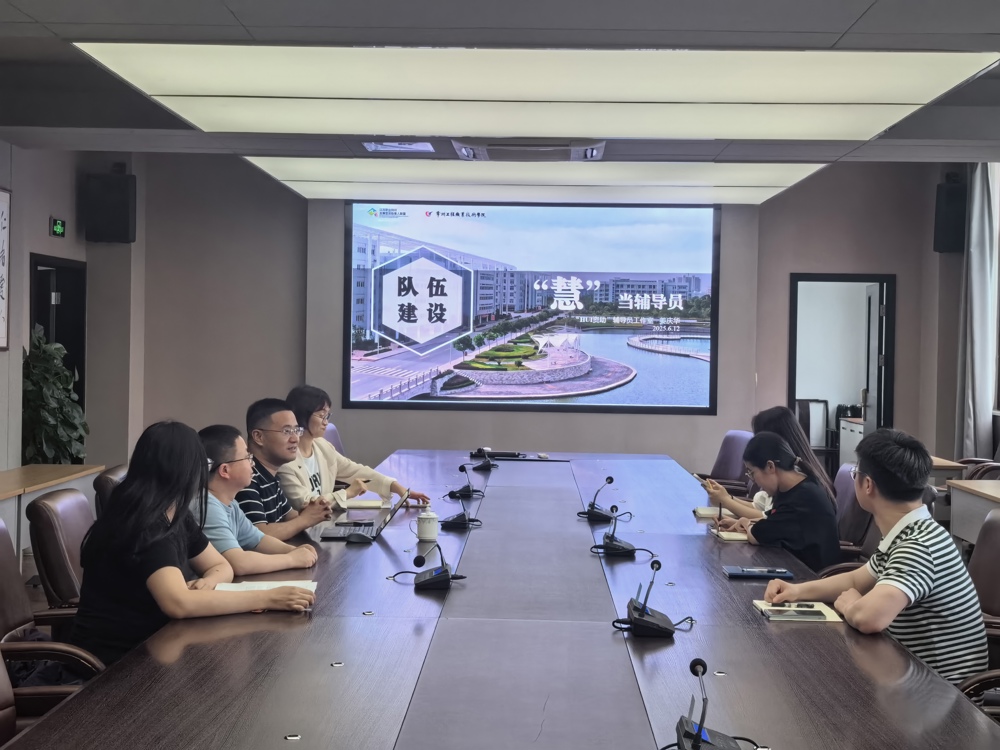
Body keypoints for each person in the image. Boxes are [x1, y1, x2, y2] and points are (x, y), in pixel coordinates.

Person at [71, 421, 315, 667]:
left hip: (158, 644)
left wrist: (209, 582)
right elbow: (178, 603)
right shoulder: (144, 524)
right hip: (117, 664)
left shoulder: (174, 512)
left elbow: (221, 565)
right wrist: (268, 598)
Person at [765, 429, 988, 687]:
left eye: (856, 474)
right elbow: (857, 580)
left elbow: (869, 618)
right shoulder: (910, 530)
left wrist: (851, 604)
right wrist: (796, 591)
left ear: (868, 485)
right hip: (908, 673)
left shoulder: (919, 545)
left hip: (943, 693)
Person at [277, 385, 431, 509]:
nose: (326, 422)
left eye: (327, 416)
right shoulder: (285, 460)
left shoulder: (321, 446)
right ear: (302, 415)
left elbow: (355, 470)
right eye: (321, 415)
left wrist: (395, 487)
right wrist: (348, 493)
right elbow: (305, 504)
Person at [199, 424, 320, 575]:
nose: (253, 463)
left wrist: (294, 550)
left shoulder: (231, 504)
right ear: (225, 470)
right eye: (247, 457)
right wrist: (292, 559)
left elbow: (258, 540)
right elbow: (239, 563)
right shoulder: (206, 506)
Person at [702, 406, 836, 522]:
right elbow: (763, 509)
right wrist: (727, 499)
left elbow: (770, 519)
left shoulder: (797, 483)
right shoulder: (792, 472)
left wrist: (727, 501)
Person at [733, 431, 840, 571]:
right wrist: (745, 522)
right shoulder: (793, 487)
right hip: (792, 567)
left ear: (770, 466)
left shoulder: (803, 497)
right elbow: (773, 521)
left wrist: (747, 524)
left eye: (752, 473)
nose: (754, 481)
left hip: (809, 576)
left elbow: (756, 535)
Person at [235, 398, 332, 540]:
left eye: (296, 430)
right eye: (286, 431)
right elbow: (258, 535)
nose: (295, 439)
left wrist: (314, 511)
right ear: (258, 437)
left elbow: (290, 517)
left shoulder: (270, 475)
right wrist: (305, 519)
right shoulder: (247, 479)